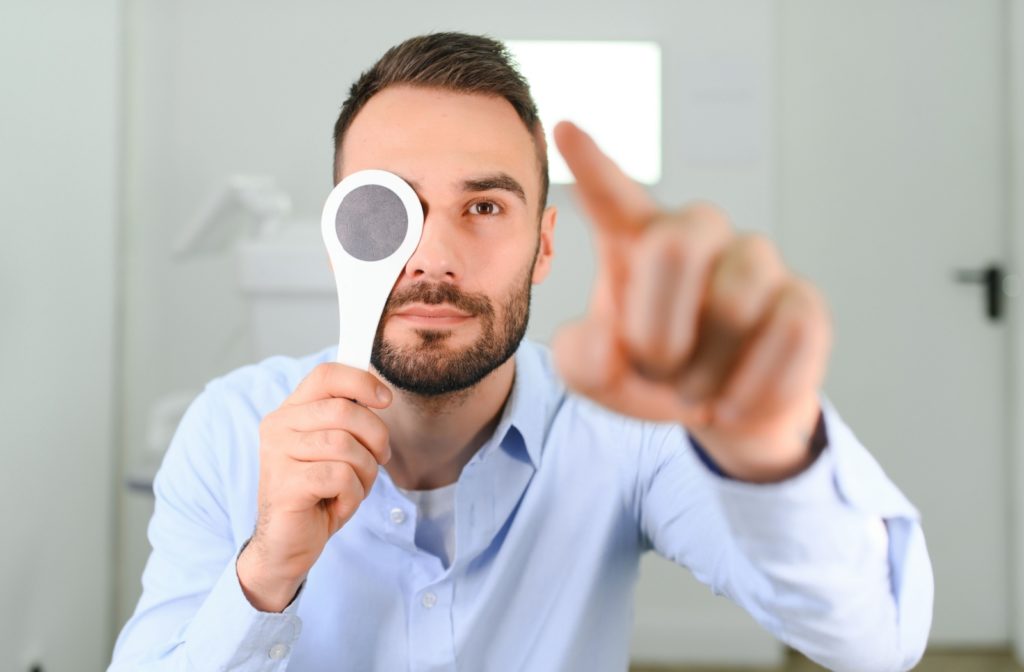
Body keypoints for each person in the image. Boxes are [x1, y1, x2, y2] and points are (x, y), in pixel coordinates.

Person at [110, 32, 933, 671]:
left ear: (544, 247)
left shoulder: (627, 432)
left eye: (485, 207)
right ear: (339, 239)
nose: (433, 258)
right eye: (391, 210)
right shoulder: (229, 432)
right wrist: (263, 578)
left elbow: (875, 641)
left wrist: (767, 450)